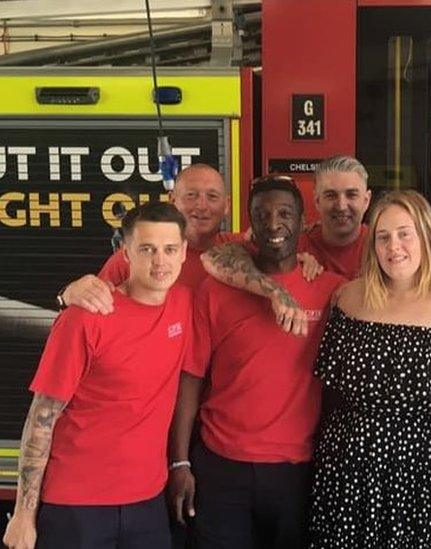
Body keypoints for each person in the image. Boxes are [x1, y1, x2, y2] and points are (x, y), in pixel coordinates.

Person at [167, 176, 345, 549]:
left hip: (297, 469)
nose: (273, 224)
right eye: (262, 215)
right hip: (220, 465)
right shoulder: (216, 290)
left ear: (301, 221)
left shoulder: (330, 290)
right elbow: (191, 378)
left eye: (284, 213)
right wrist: (180, 462)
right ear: (249, 224)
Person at [3, 202, 192, 549]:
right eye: (146, 249)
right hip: (76, 506)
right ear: (125, 252)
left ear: (183, 253)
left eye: (169, 249)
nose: (159, 261)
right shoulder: (86, 317)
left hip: (147, 502)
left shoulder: (183, 303)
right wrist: (23, 516)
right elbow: (41, 416)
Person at [308, 190, 431, 548]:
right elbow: (328, 393)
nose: (393, 245)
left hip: (430, 477)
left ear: (427, 236)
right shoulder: (347, 299)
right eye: (382, 236)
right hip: (350, 474)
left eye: (404, 233)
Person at [200, 154, 370, 335]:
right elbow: (212, 258)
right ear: (317, 201)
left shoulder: (381, 246)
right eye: (331, 195)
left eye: (351, 195)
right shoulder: (287, 242)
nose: (341, 205)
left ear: (366, 200)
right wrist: (276, 290)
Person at [57, 164, 233, 314]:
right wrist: (68, 295)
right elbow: (88, 306)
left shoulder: (240, 249)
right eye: (191, 195)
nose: (201, 206)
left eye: (212, 197)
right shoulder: (132, 258)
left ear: (226, 206)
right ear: (172, 200)